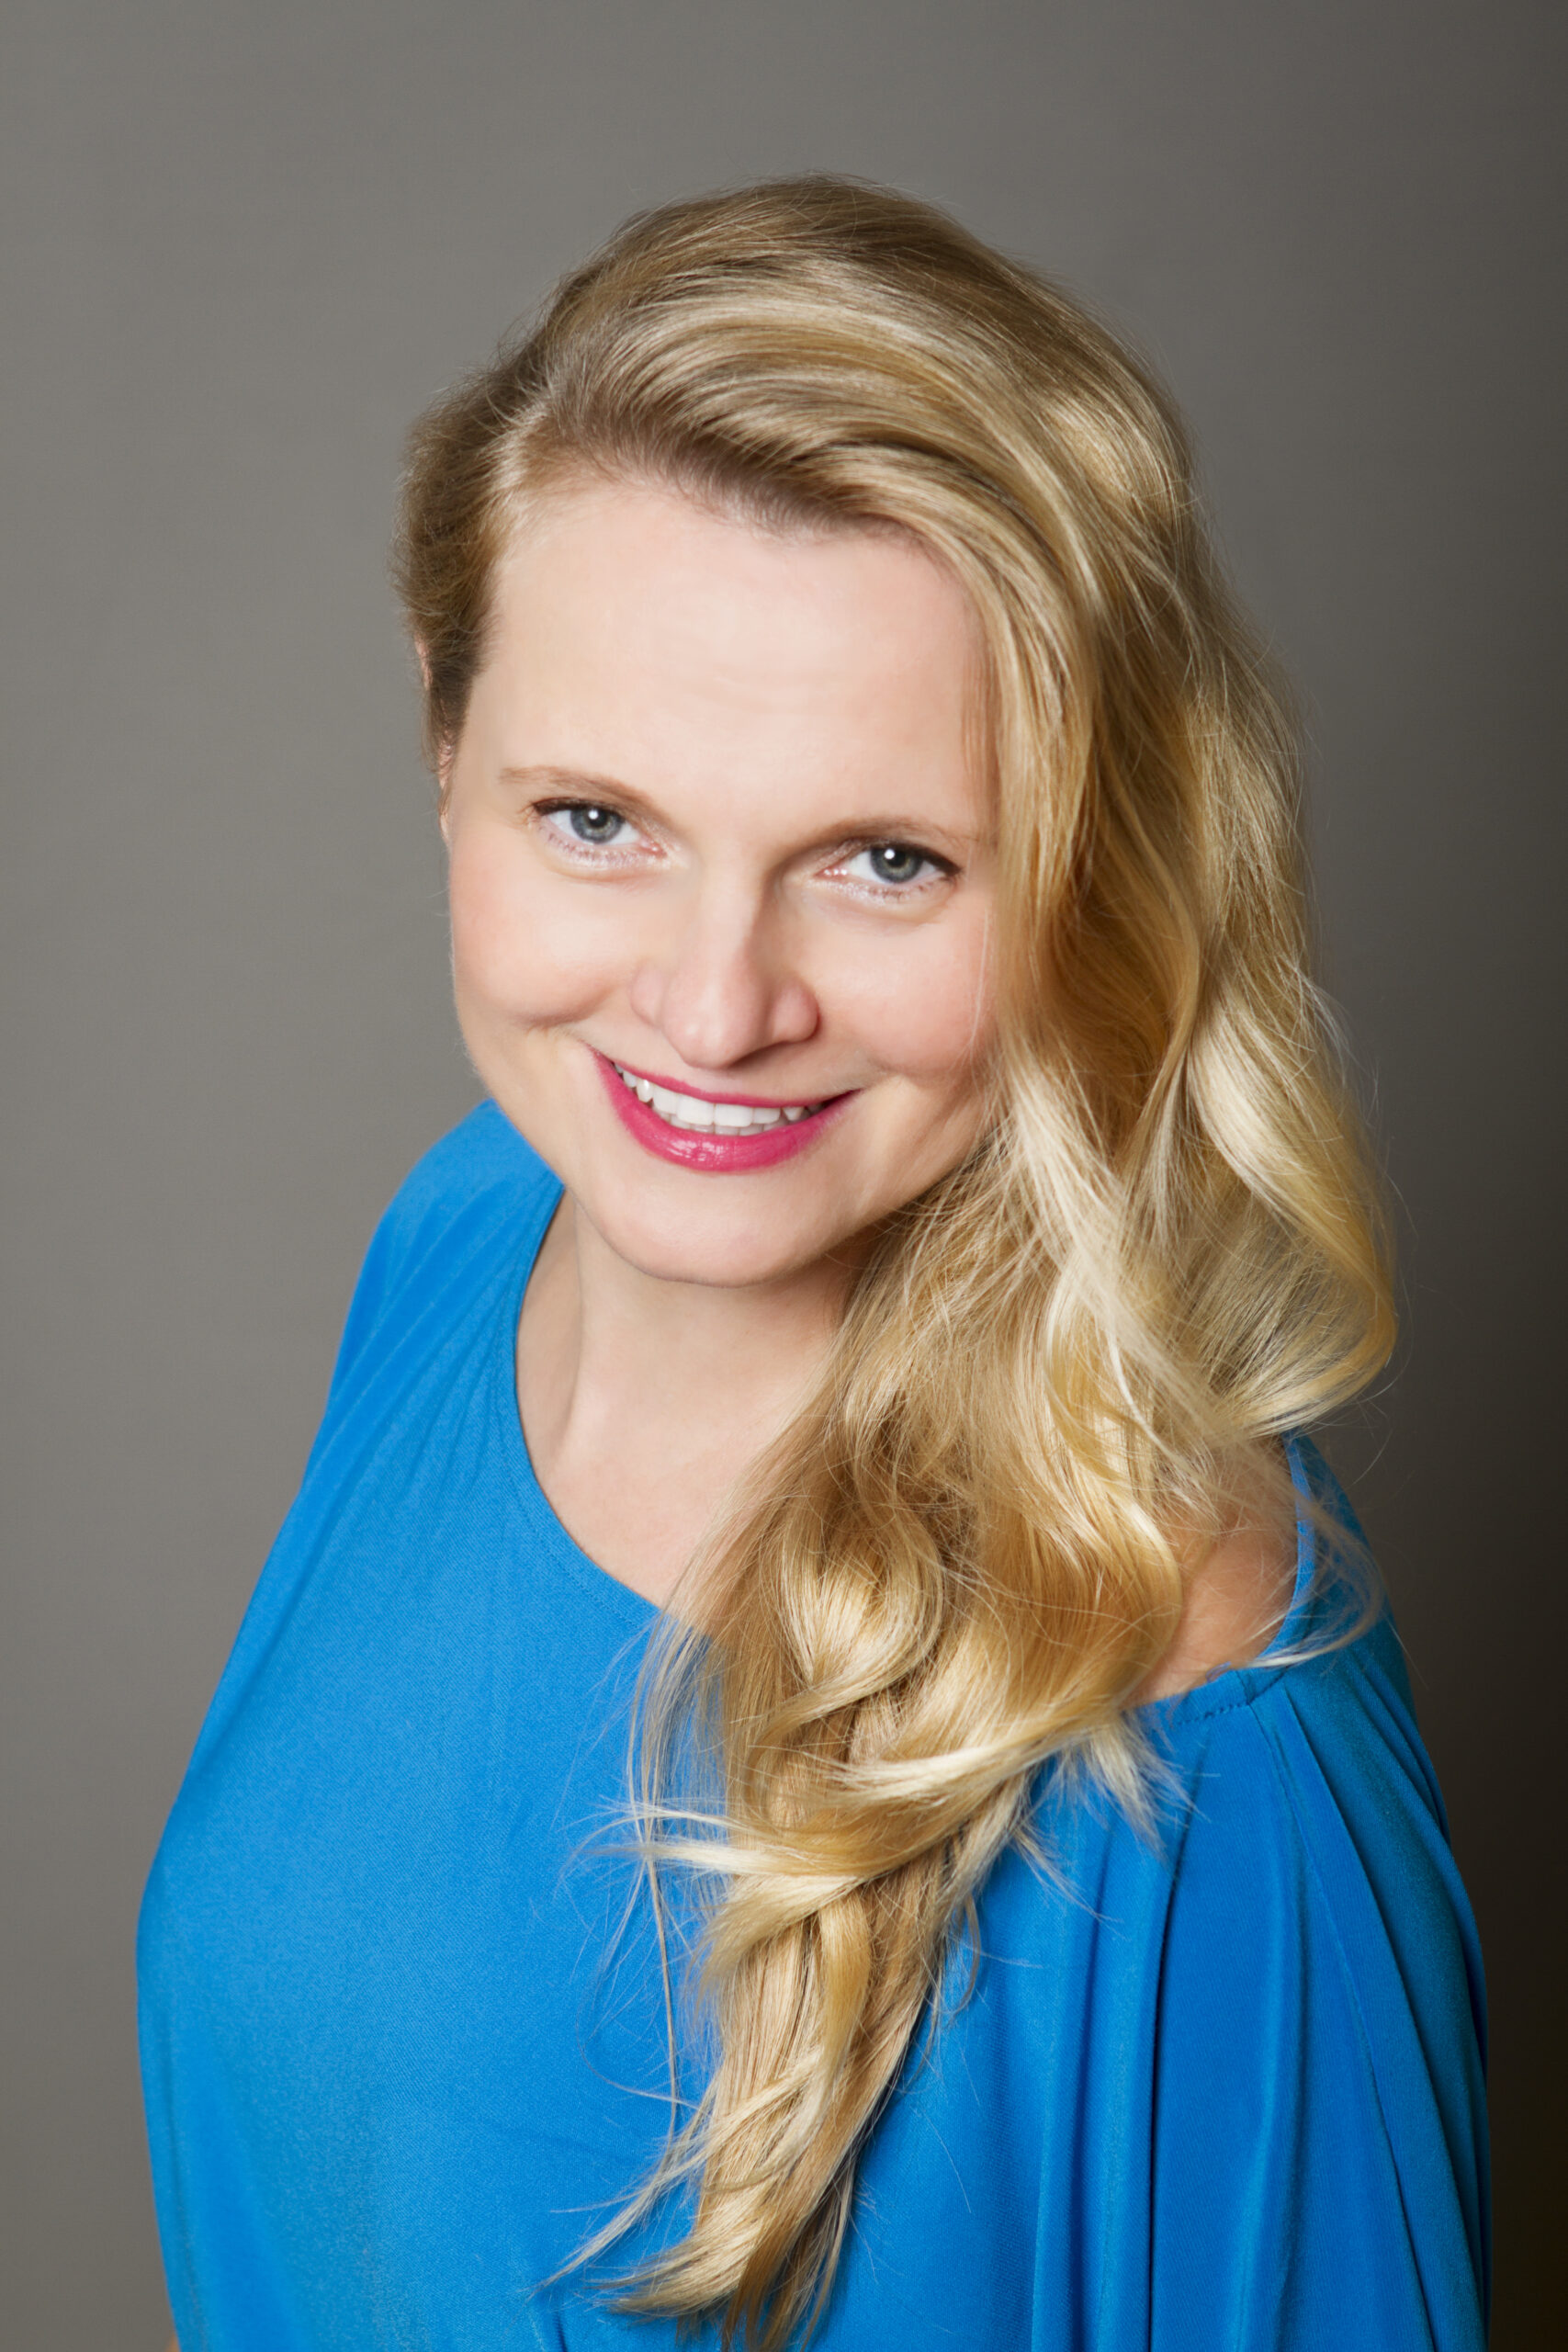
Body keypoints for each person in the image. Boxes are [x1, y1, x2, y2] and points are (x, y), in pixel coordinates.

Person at [138, 177, 1488, 2351]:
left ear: (1086, 878)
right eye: (596, 818)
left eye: (883, 859)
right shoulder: (469, 1226)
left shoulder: (1204, 1760)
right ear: (440, 738)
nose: (710, 1003)